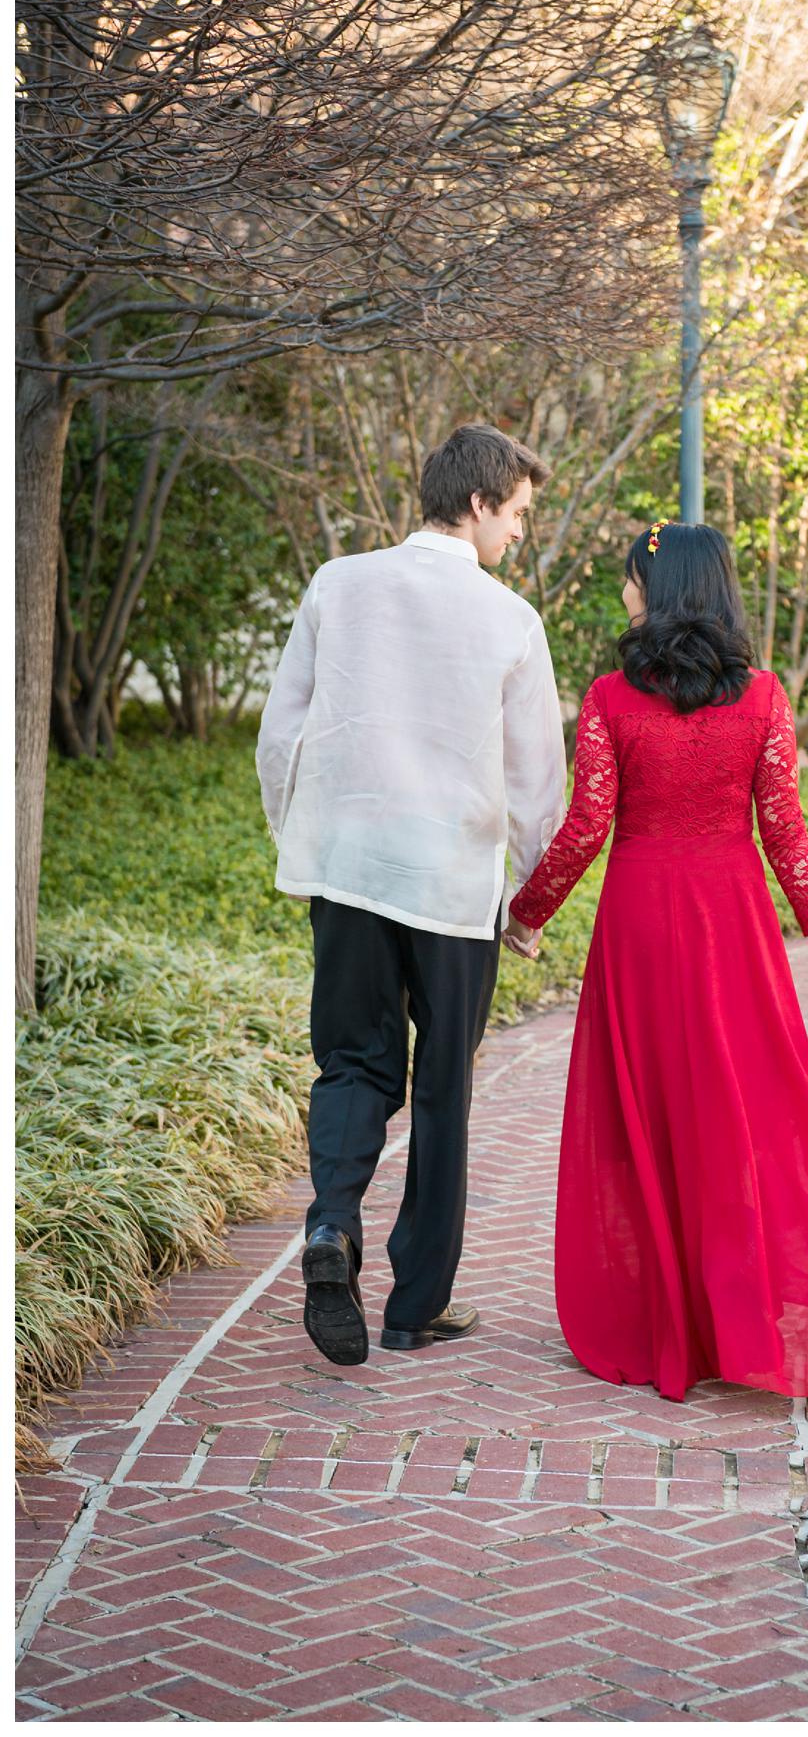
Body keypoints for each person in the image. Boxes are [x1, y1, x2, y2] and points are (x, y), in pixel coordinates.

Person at [502, 521, 808, 1403]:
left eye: (628, 580)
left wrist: (527, 914)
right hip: (733, 922)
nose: (621, 593)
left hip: (640, 921)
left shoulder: (612, 695)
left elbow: (587, 825)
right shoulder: (762, 696)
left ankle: (665, 1318)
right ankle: (729, 1315)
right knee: (736, 1107)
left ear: (659, 588)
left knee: (647, 1111)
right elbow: (783, 829)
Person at [258, 423, 567, 1365]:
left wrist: (302, 839)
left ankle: (330, 1228)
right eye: (514, 514)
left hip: (346, 869)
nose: (517, 533)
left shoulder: (337, 585)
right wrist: (525, 898)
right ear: (477, 503)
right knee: (441, 1087)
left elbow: (282, 734)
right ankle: (414, 1305)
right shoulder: (510, 619)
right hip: (453, 888)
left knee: (351, 1064)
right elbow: (535, 781)